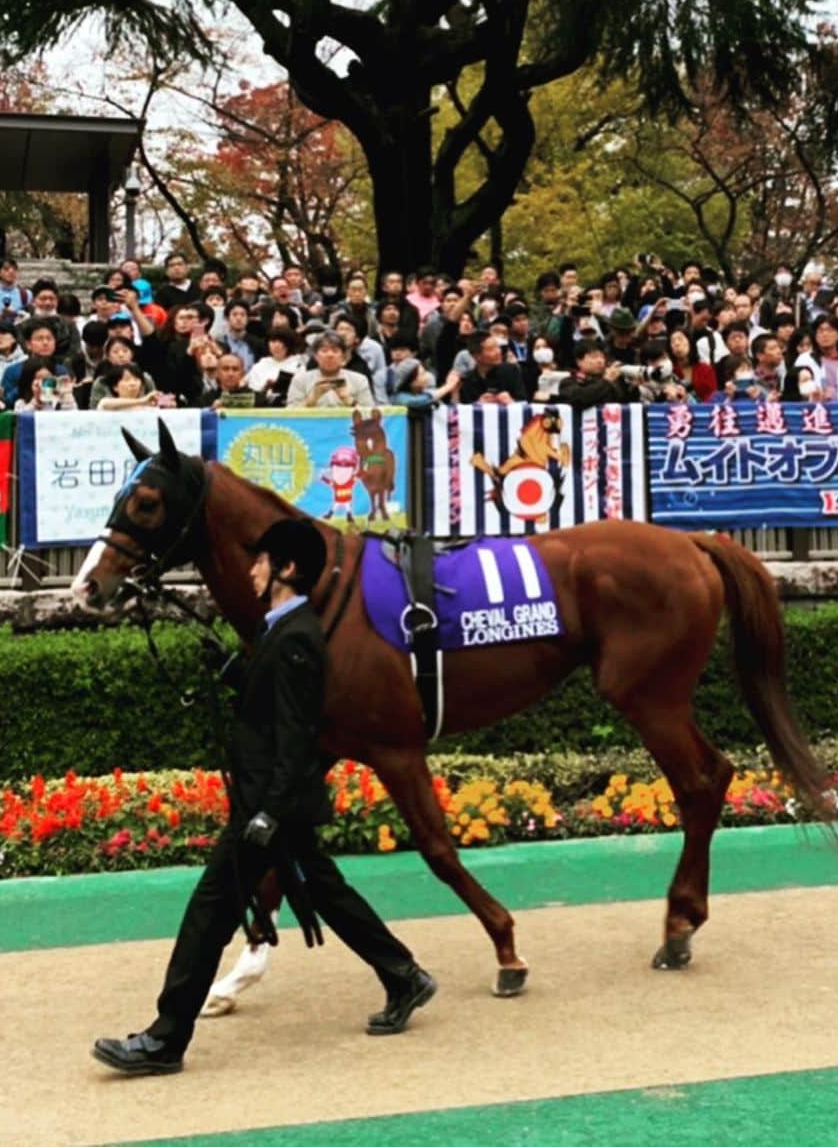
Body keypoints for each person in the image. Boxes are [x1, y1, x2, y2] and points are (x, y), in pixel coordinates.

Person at [92, 520, 436, 1076]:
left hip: (268, 808)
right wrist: (233, 673)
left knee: (208, 915)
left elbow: (299, 736)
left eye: (261, 561)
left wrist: (268, 813)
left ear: (288, 570)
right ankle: (403, 975)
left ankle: (165, 1039)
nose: (251, 570)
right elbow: (275, 705)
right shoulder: (284, 629)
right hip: (275, 806)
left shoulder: (296, 635)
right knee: (328, 893)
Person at [286, 331, 375, 408]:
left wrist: (349, 400)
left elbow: (371, 415)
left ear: (344, 357)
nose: (330, 355)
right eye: (324, 351)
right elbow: (288, 415)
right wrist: (312, 399)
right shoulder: (300, 380)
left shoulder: (359, 380)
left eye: (335, 351)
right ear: (316, 356)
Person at [557, 340, 634, 409]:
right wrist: (606, 381)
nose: (600, 361)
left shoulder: (612, 381)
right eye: (594, 357)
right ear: (579, 361)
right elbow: (580, 399)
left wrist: (632, 387)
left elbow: (625, 404)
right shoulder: (568, 382)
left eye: (602, 357)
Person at [457, 332, 526, 404]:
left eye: (498, 347)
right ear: (476, 356)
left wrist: (511, 402)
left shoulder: (511, 371)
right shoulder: (468, 380)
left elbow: (524, 403)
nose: (498, 352)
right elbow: (464, 409)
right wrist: (478, 404)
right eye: (491, 349)